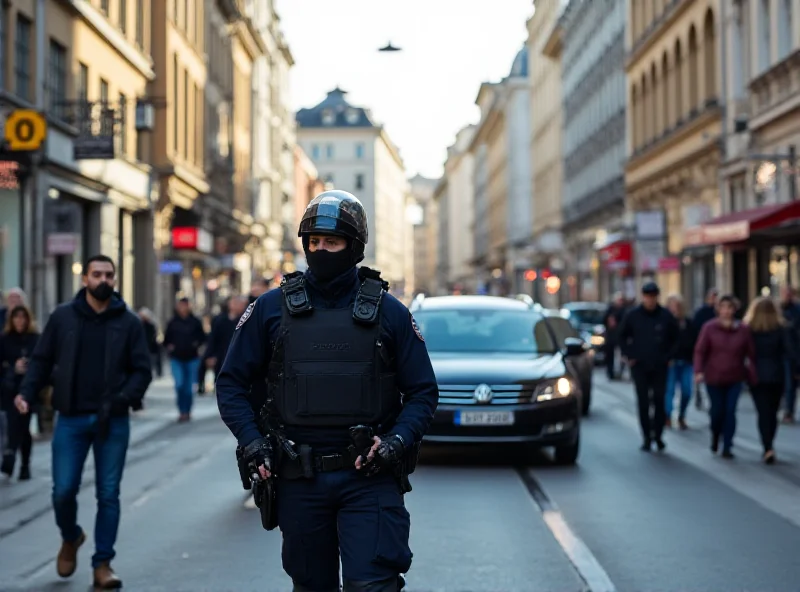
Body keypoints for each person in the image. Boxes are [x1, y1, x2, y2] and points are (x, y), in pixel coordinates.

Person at [216, 190, 439, 592]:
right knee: (311, 585)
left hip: (369, 475)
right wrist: (252, 442)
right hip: (299, 477)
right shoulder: (270, 308)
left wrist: (396, 442)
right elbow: (231, 382)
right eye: (313, 242)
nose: (320, 250)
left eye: (331, 243)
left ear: (353, 248)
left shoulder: (389, 312)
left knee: (373, 585)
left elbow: (423, 392)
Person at [14, 255, 152, 589]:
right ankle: (71, 536)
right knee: (63, 491)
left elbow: (142, 370)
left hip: (112, 421)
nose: (103, 280)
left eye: (109, 275)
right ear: (84, 279)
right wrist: (27, 393)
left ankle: (102, 563)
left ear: (115, 280)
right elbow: (42, 360)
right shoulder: (63, 317)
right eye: (97, 274)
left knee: (108, 494)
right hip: (71, 418)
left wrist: (125, 397)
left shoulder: (129, 322)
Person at [618, 282, 679, 451]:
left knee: (659, 400)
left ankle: (658, 435)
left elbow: (676, 338)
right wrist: (629, 355)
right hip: (640, 365)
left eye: (653, 297)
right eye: (647, 297)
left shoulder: (665, 316)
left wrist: (669, 356)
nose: (650, 300)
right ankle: (646, 436)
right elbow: (622, 336)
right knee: (643, 402)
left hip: (660, 365)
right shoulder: (633, 315)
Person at [693, 294, 756, 459]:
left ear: (734, 310)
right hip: (714, 376)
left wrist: (752, 372)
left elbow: (751, 353)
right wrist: (698, 371)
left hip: (735, 376)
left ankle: (728, 444)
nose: (726, 311)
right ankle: (715, 435)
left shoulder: (742, 330)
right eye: (723, 308)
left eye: (730, 308)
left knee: (730, 411)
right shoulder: (709, 328)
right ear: (718, 309)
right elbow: (700, 350)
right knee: (716, 411)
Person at [744, 296, 796, 464]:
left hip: (756, 375)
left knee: (762, 412)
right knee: (772, 412)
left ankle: (767, 446)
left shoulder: (749, 329)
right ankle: (769, 443)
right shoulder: (781, 328)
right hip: (776, 374)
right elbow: (789, 352)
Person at [0, 305, 39, 480]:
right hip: (9, 389)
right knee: (12, 423)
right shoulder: (5, 339)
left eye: (23, 317)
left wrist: (29, 367)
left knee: (23, 426)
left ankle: (22, 463)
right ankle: (10, 459)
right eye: (16, 317)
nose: (20, 321)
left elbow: (42, 362)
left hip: (28, 389)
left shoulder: (35, 339)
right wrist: (12, 368)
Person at [162, 297, 205, 421]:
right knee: (179, 385)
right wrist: (170, 347)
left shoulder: (195, 321)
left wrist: (196, 345)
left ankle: (187, 410)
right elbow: (166, 339)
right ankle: (181, 410)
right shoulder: (173, 322)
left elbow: (202, 337)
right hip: (177, 358)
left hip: (192, 358)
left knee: (189, 388)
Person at [664, 294, 698, 430]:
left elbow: (694, 341)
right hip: (671, 362)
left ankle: (682, 415)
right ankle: (667, 415)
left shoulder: (688, 323)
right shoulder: (665, 322)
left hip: (686, 361)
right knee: (670, 391)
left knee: (687, 391)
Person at [778, 286, 800, 423]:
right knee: (783, 384)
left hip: (792, 353)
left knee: (790, 384)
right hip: (779, 353)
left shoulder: (796, 310)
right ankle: (784, 408)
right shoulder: (778, 310)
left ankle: (789, 411)